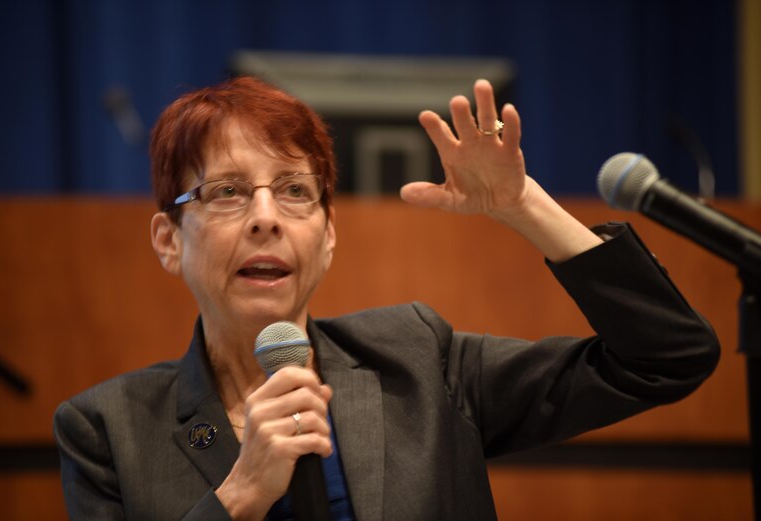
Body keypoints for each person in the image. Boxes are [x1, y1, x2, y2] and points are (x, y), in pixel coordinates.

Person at [53, 76, 719, 521]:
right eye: (228, 191)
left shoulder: (419, 361)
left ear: (328, 236)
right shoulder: (108, 429)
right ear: (168, 240)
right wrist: (239, 494)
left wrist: (523, 206)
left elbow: (668, 355)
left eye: (294, 191)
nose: (266, 218)